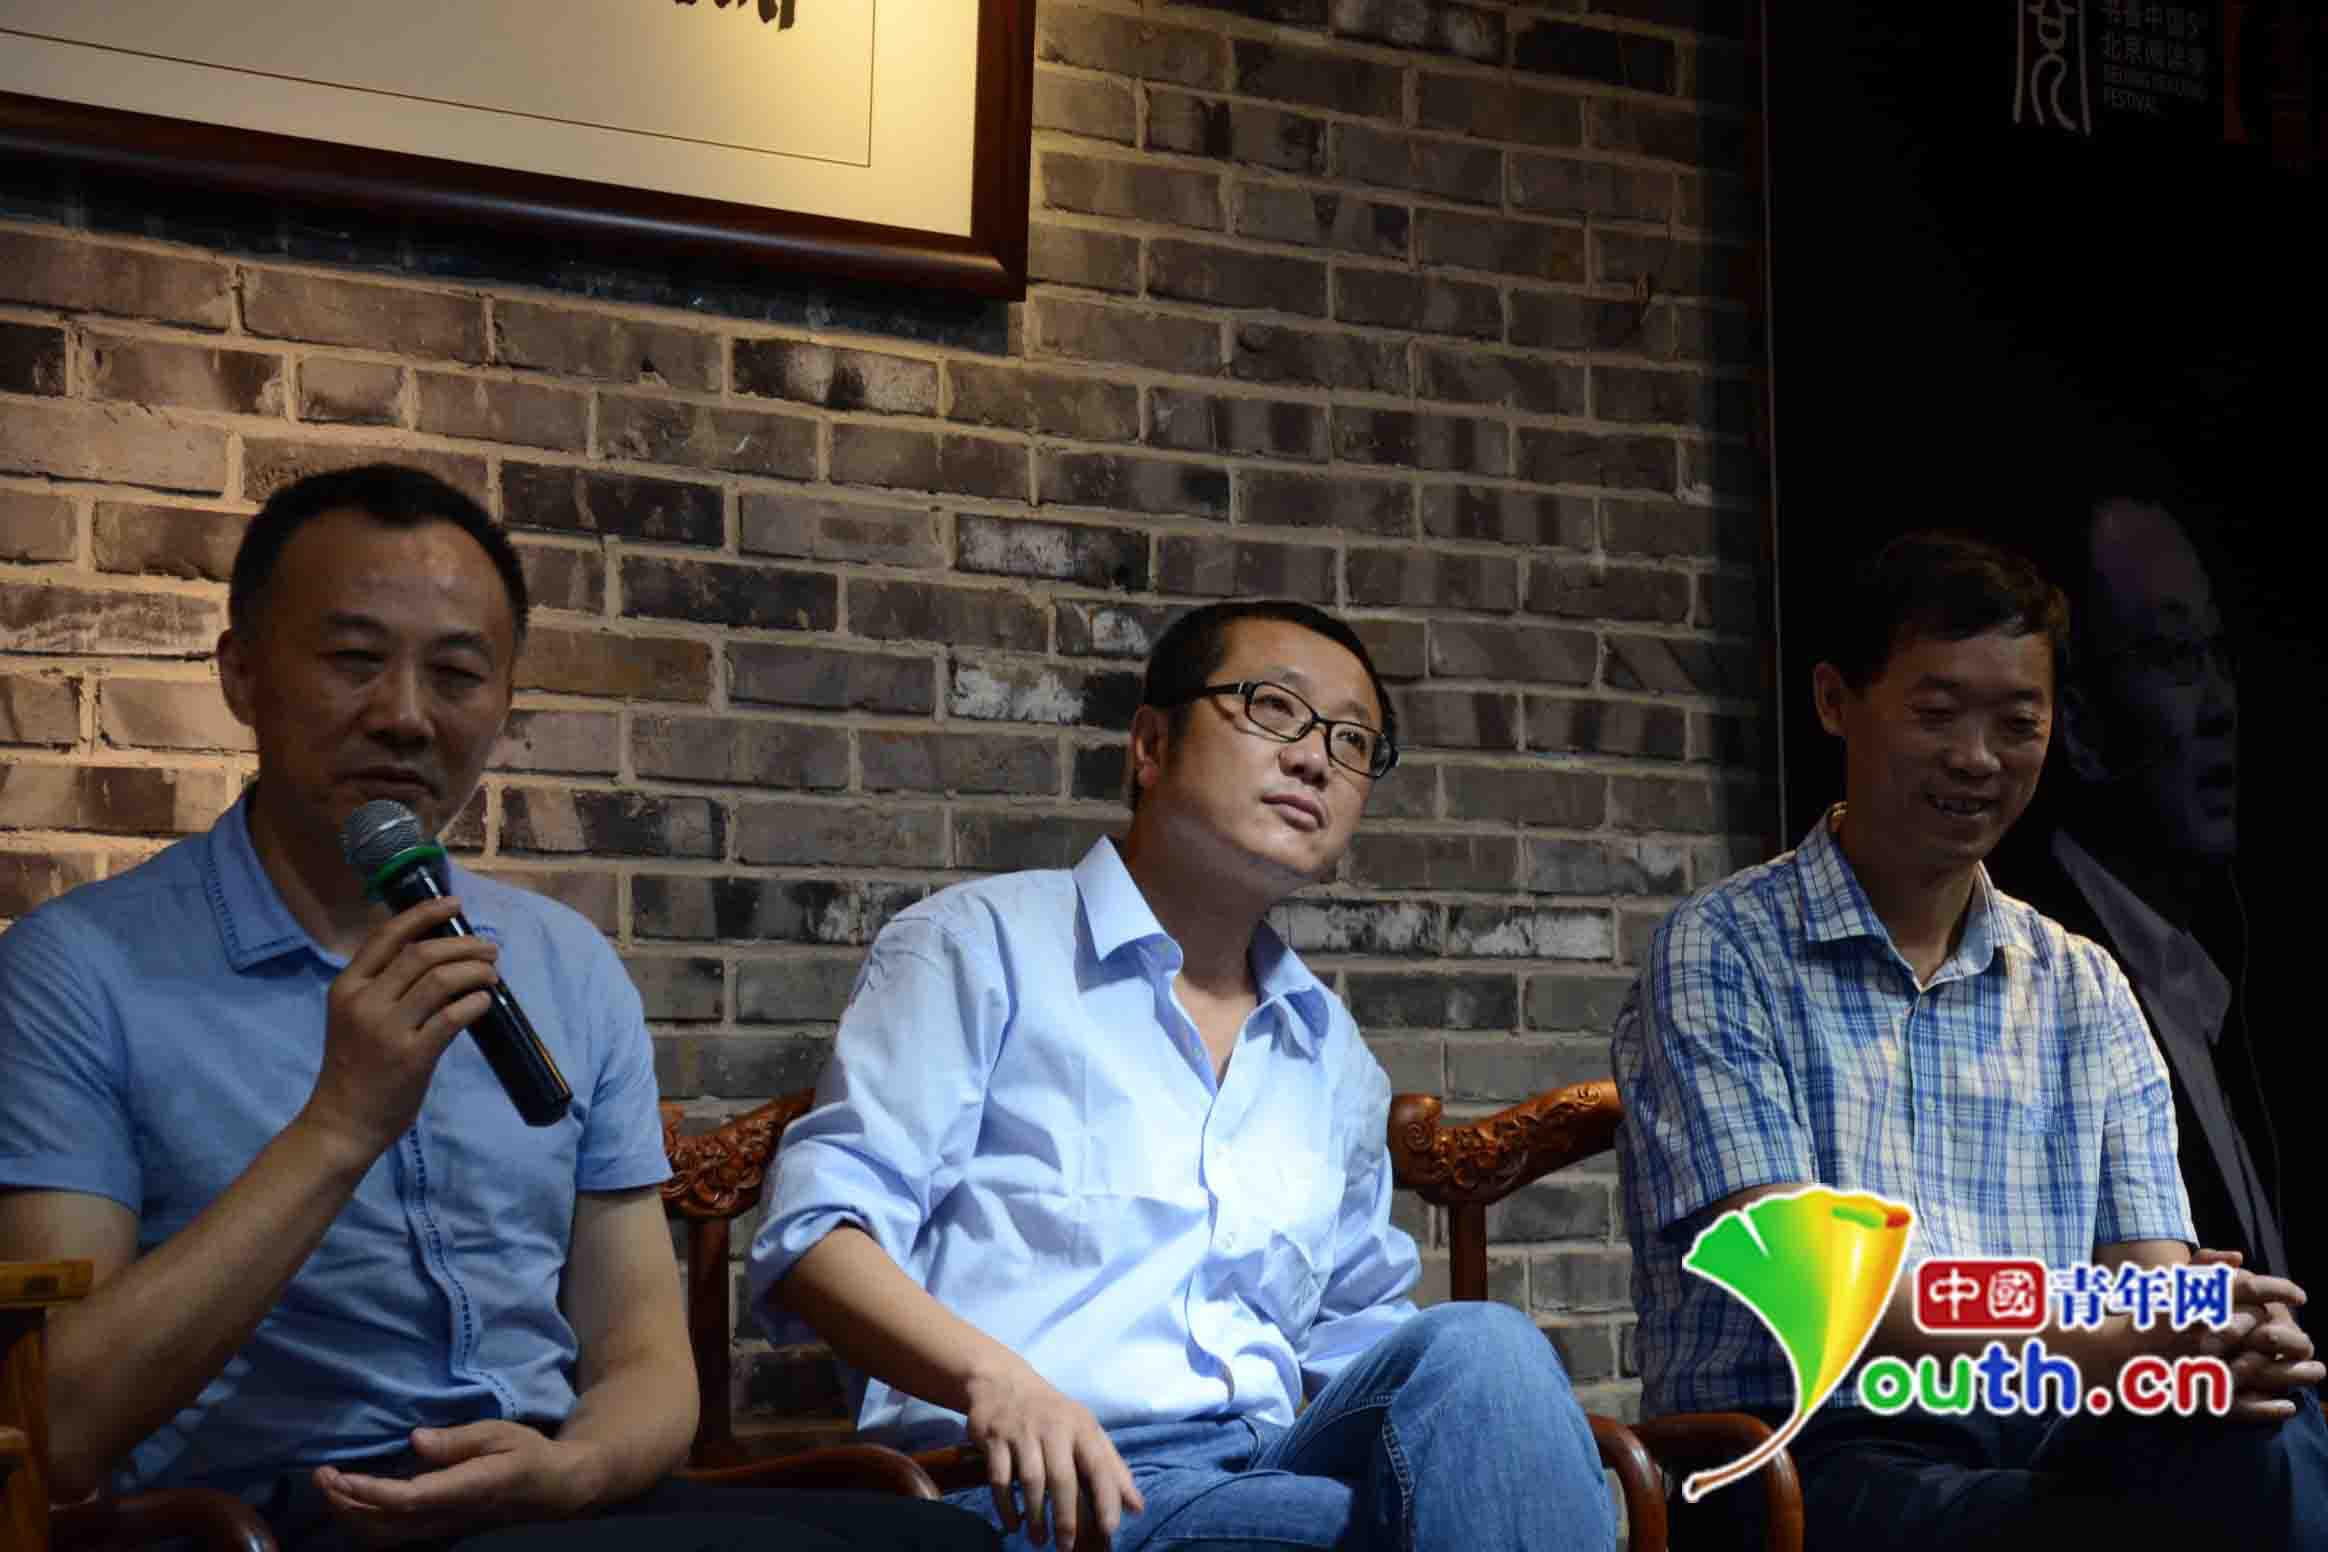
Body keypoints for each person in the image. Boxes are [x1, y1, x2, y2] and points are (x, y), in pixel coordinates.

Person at [0, 464, 994, 1552]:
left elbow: (644, 1362)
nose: (405, 716)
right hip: (285, 1515)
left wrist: (575, 1468)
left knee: (942, 1541)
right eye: (353, 661)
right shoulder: (77, 971)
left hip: (555, 1499)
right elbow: (60, 1426)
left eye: (457, 674)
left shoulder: (563, 965)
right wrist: (340, 1125)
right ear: (241, 673)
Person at [750, 600, 1616, 1552]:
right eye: (1275, 709)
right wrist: (997, 1380)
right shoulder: (978, 948)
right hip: (1040, 1489)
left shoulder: (1331, 1053)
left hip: (1270, 1462)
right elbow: (817, 1235)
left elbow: (1355, 1333)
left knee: (1484, 1345)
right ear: (1151, 746)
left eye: (1354, 740)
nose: (1316, 760)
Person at [1612, 530, 2328, 1547]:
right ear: (1835, 700)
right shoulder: (1722, 950)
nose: (1978, 758)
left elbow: (2150, 1284)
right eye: (1937, 713)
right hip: (1804, 1455)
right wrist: (2110, 1336)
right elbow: (1817, 1286)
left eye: (2017, 722)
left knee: (2268, 1434)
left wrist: (2215, 1335)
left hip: (2049, 1434)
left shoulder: (2083, 983)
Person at [1998, 497, 2288, 1292]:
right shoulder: (2037, 979)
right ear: (2081, 725)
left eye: (2218, 654)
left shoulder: (2210, 974)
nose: (2219, 706)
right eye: (2172, 657)